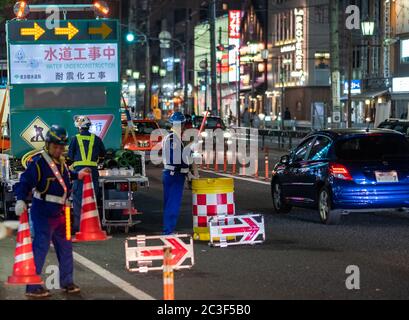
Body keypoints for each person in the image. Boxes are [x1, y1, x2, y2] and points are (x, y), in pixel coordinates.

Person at [14, 125, 90, 298]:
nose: (58, 150)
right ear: (48, 145)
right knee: (40, 248)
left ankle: (67, 282)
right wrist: (20, 199)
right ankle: (32, 287)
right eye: (55, 146)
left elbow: (63, 177)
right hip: (42, 213)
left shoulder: (61, 163)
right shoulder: (38, 162)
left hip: (61, 213)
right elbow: (24, 181)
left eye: (61, 147)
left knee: (66, 247)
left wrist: (77, 174)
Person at [67, 116, 106, 233]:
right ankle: (93, 225)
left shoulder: (75, 139)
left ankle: (79, 227)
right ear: (89, 126)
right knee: (92, 198)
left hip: (79, 172)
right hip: (92, 172)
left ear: (78, 127)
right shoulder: (96, 139)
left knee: (79, 199)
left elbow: (69, 156)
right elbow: (103, 154)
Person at [162, 112, 191, 235]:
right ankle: (168, 232)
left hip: (170, 174)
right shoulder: (174, 138)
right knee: (172, 205)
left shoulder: (172, 137)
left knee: (169, 204)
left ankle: (168, 230)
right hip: (175, 175)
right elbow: (177, 160)